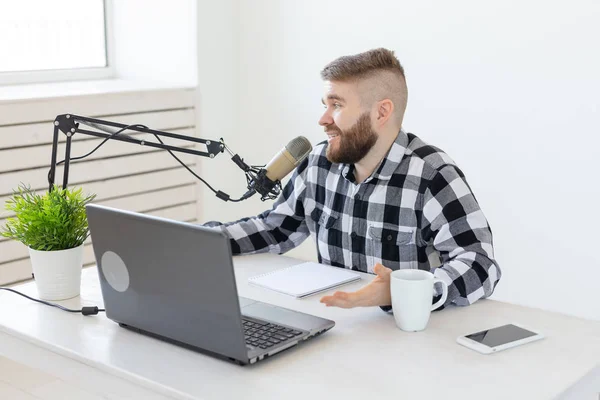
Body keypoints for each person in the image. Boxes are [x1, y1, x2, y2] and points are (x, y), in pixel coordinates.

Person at [205, 48, 501, 312]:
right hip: (338, 327)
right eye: (325, 104)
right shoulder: (318, 163)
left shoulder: (431, 175)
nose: (323, 119)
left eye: (337, 105)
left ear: (381, 112)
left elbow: (480, 264)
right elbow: (275, 229)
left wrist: (404, 291)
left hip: (406, 340)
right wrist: (202, 241)